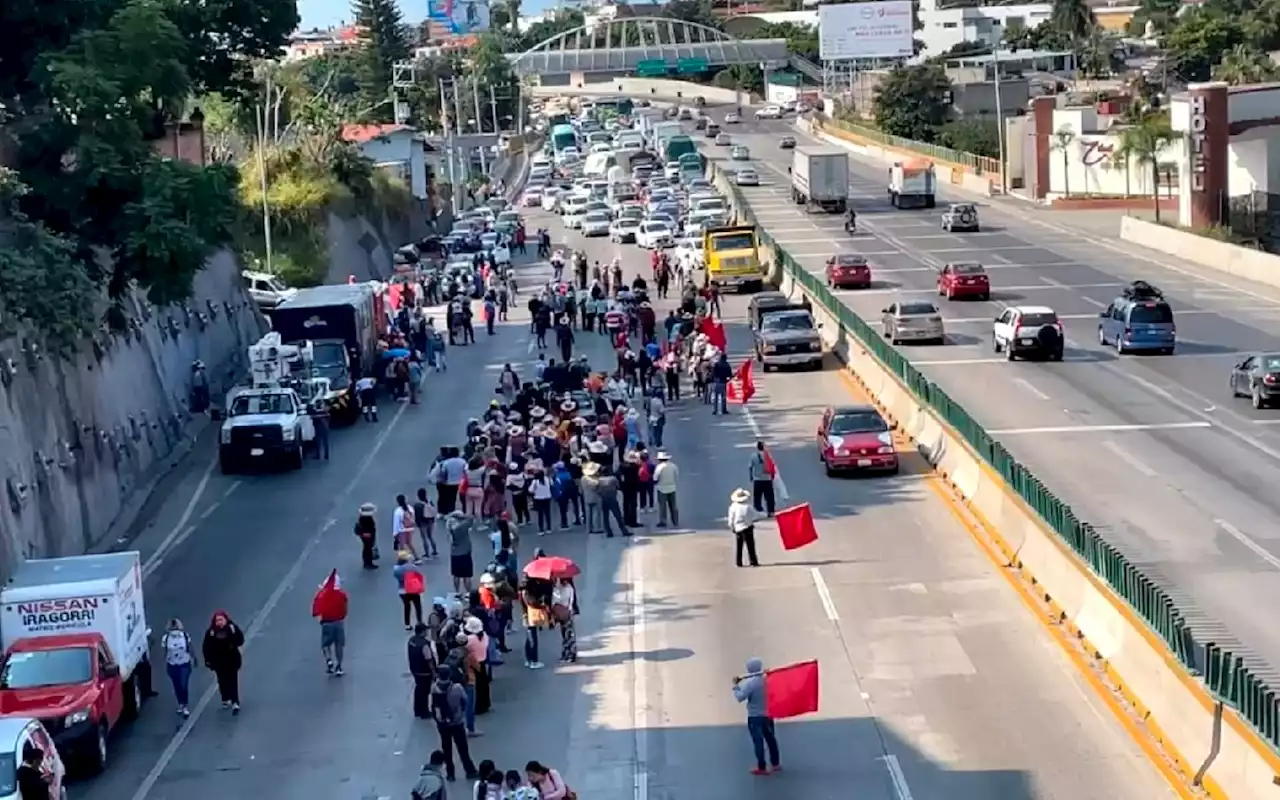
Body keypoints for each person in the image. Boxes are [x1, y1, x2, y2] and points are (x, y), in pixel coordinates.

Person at [733, 657, 781, 775]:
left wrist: (736, 686)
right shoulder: (768, 680)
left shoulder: (750, 683)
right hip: (768, 715)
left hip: (755, 717)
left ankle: (762, 766)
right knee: (771, 740)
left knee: (758, 742)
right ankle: (775, 764)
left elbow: (740, 697)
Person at [431, 667, 479, 781]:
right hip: (456, 722)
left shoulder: (434, 688)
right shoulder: (457, 688)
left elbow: (434, 704)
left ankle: (450, 773)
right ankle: (469, 770)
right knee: (463, 748)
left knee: (447, 748)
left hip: (442, 724)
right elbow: (465, 701)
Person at [202, 610, 245, 715]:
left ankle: (235, 701)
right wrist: (207, 659)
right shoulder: (211, 632)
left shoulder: (232, 628)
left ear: (226, 620)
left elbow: (240, 641)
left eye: (221, 619)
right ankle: (225, 698)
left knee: (233, 680)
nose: (219, 622)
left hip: (231, 660)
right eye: (217, 620)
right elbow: (206, 647)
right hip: (218, 661)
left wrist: (233, 636)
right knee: (222, 680)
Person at [312, 569, 349, 676]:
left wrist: (319, 618)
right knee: (339, 645)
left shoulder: (322, 594)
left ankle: (329, 660)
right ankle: (339, 666)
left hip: (326, 623)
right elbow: (345, 608)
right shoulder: (342, 595)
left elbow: (316, 607)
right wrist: (342, 616)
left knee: (325, 644)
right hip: (339, 623)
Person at [161, 618, 196, 717]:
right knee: (176, 685)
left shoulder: (184, 636)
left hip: (184, 663)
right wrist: (165, 662)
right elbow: (165, 651)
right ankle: (180, 703)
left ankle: (185, 706)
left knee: (183, 684)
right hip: (172, 664)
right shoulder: (166, 638)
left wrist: (194, 658)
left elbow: (189, 647)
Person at [408, 623, 437, 720]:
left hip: (415, 670)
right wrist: (433, 672)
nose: (427, 632)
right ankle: (424, 712)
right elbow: (429, 659)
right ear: (422, 632)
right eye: (426, 631)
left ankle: (417, 710)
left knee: (418, 689)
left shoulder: (411, 641)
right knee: (424, 691)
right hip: (425, 672)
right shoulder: (424, 644)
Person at [727, 488, 759, 568]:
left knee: (739, 546)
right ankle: (753, 561)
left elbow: (731, 519)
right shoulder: (748, 507)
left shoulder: (732, 507)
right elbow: (756, 515)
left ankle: (739, 562)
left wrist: (732, 528)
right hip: (748, 527)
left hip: (738, 528)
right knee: (750, 546)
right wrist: (767, 515)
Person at [395, 551, 427, 629]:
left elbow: (397, 577)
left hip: (402, 591)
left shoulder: (397, 569)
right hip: (413, 589)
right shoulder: (412, 567)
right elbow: (419, 574)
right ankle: (419, 622)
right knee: (417, 606)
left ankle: (407, 624)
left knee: (407, 607)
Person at [447, 510, 475, 593]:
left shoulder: (450, 528)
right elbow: (471, 518)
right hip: (465, 553)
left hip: (454, 553)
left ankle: (457, 592)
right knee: (467, 575)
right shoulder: (462, 527)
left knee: (456, 575)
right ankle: (468, 593)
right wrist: (462, 516)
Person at [551, 578, 577, 664]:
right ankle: (572, 653)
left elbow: (554, 601)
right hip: (568, 613)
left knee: (565, 634)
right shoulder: (570, 587)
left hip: (562, 613)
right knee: (569, 634)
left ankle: (567, 654)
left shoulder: (557, 589)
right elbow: (572, 601)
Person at [748, 441, 776, 516]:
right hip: (767, 479)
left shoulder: (753, 456)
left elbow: (750, 467)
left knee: (757, 497)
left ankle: (759, 511)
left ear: (757, 448)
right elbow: (772, 465)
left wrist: (751, 476)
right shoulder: (767, 455)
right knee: (769, 496)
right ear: (763, 447)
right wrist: (772, 476)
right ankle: (771, 511)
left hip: (757, 479)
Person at [653, 452, 679, 528]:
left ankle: (663, 521)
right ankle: (675, 520)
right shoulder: (673, 466)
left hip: (662, 489)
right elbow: (676, 475)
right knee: (673, 506)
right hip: (672, 488)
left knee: (662, 506)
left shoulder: (659, 467)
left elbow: (655, 478)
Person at [395, 494, 422, 563]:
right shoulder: (410, 508)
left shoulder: (398, 511)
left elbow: (396, 523)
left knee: (402, 545)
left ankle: (403, 560)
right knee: (409, 543)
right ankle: (417, 558)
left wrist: (395, 533)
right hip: (410, 529)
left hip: (402, 530)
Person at [415, 488, 440, 558]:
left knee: (424, 538)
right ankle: (434, 550)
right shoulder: (429, 502)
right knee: (430, 536)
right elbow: (433, 511)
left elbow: (417, 516)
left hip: (422, 523)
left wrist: (417, 524)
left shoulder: (417, 505)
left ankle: (427, 553)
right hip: (430, 521)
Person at [528, 468, 554, 535]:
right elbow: (552, 485)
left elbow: (530, 490)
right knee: (547, 513)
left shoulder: (535, 481)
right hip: (547, 498)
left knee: (540, 514)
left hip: (538, 499)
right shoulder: (547, 479)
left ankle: (541, 529)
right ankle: (549, 528)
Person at [355, 502, 379, 569]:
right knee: (367, 549)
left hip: (366, 535)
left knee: (367, 548)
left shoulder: (363, 517)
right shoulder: (366, 519)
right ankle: (368, 563)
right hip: (367, 535)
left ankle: (367, 562)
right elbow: (367, 528)